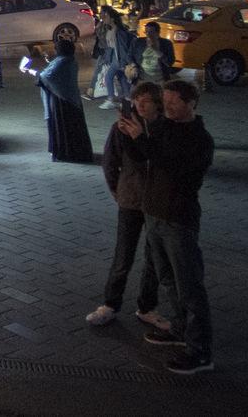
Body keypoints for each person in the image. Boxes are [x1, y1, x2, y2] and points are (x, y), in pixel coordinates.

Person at [117, 79, 216, 374]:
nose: (168, 107)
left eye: (174, 102)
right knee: (168, 278)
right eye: (166, 101)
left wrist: (142, 141)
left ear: (191, 103)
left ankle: (200, 352)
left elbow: (176, 169)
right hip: (154, 213)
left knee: (189, 286)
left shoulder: (200, 138)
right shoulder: (163, 128)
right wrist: (127, 134)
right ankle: (179, 329)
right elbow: (143, 158)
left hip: (178, 217)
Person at [85, 81, 176, 331]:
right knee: (123, 254)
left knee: (154, 256)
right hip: (131, 199)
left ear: (157, 104)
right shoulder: (121, 129)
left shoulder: (164, 129)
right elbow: (110, 162)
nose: (139, 106)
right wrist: (117, 191)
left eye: (145, 101)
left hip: (157, 203)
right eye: (136, 101)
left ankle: (147, 306)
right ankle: (110, 304)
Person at [27, 37, 93, 163]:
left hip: (61, 101)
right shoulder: (70, 60)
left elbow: (47, 76)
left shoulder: (62, 61)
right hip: (72, 98)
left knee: (63, 128)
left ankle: (65, 153)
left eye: (56, 49)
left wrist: (34, 72)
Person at [135, 21, 176, 85]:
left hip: (159, 80)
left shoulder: (166, 43)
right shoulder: (138, 42)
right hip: (141, 79)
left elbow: (170, 62)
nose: (148, 34)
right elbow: (129, 55)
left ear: (158, 32)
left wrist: (156, 50)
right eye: (146, 32)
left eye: (151, 32)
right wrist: (132, 65)